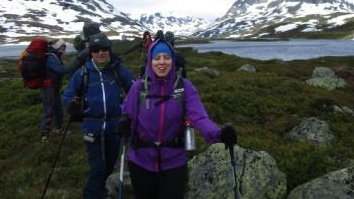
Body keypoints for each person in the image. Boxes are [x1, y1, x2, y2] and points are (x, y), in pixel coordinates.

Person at [117, 39, 237, 199]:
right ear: (150, 61)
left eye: (166, 57)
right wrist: (122, 127)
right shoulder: (138, 87)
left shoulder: (185, 87)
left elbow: (200, 117)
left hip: (173, 162)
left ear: (173, 61)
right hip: (141, 162)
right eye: (157, 57)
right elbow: (127, 116)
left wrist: (219, 134)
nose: (162, 62)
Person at [62, 33, 134, 199]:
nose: (100, 53)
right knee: (98, 169)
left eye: (104, 49)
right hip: (91, 128)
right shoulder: (82, 73)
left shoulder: (118, 70)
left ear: (109, 50)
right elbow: (67, 95)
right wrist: (70, 104)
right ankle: (90, 195)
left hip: (115, 127)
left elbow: (134, 90)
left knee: (109, 166)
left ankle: (101, 192)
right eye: (95, 50)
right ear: (91, 53)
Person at [40, 38, 67, 142]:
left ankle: (59, 128)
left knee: (58, 108)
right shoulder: (51, 57)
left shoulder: (56, 56)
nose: (64, 48)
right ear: (56, 47)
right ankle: (44, 134)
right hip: (48, 88)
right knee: (48, 110)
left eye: (64, 46)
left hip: (54, 86)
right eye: (62, 46)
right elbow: (62, 70)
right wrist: (76, 62)